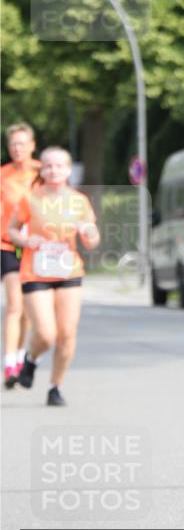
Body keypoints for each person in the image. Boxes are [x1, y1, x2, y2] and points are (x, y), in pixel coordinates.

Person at [8, 146, 100, 406]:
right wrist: (27, 239)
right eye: (48, 165)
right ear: (42, 170)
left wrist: (87, 230)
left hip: (68, 270)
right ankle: (31, 359)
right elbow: (12, 230)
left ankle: (55, 387)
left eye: (60, 166)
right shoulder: (29, 198)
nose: (54, 170)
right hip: (35, 271)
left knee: (67, 333)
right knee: (46, 334)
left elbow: (93, 240)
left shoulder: (79, 200)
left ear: (69, 170)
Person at [1, 122, 41, 387]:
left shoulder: (43, 173)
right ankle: (9, 363)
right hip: (7, 244)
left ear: (32, 145)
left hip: (36, 247)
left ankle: (19, 354)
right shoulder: (2, 175)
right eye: (13, 144)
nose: (17, 148)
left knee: (27, 309)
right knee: (15, 304)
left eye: (22, 143)